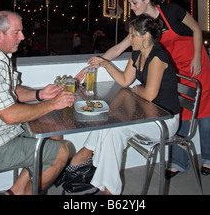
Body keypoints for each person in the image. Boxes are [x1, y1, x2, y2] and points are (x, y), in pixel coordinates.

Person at [86, 0, 210, 177]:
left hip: (195, 65)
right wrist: (96, 64)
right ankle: (179, 162)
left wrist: (197, 56)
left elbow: (196, 29)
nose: (131, 7)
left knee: (205, 114)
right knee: (181, 113)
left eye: (134, 2)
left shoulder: (172, 11)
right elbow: (119, 48)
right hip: (173, 68)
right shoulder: (144, 24)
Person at [0, 11, 76, 195]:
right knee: (61, 152)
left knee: (52, 129)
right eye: (16, 32)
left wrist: (40, 94)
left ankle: (15, 192)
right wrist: (52, 104)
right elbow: (9, 115)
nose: (22, 37)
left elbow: (12, 90)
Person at [64, 14, 180, 195]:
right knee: (108, 122)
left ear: (146, 37)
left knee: (115, 129)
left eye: (133, 35)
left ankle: (91, 167)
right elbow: (125, 80)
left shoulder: (157, 57)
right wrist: (105, 64)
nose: (130, 39)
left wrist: (136, 89)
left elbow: (149, 94)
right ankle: (105, 186)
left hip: (165, 121)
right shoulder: (138, 54)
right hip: (147, 114)